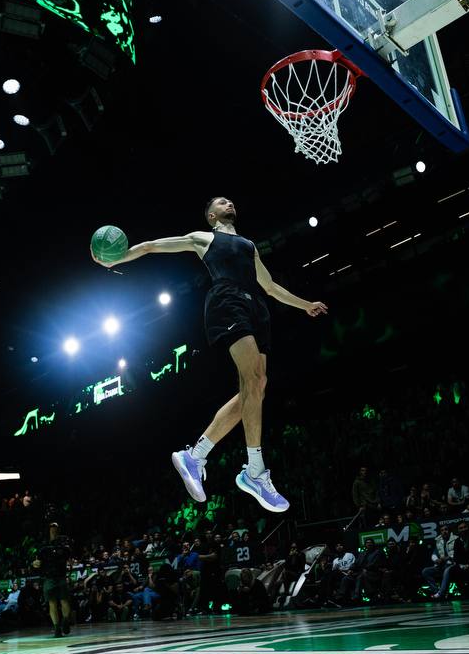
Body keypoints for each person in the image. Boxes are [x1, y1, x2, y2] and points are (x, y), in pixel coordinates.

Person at [94, 197, 328, 513]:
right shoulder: (204, 238)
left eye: (230, 200)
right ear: (211, 215)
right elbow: (151, 246)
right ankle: (255, 470)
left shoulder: (248, 245)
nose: (228, 203)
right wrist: (118, 258)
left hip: (256, 307)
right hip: (227, 300)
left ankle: (195, 456)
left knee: (256, 388)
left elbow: (270, 286)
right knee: (253, 379)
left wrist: (305, 305)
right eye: (221, 202)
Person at [33, 523, 74, 637]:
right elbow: (37, 561)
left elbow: (69, 557)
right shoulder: (44, 546)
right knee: (52, 603)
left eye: (55, 526)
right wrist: (35, 564)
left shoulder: (64, 543)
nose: (53, 528)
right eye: (51, 526)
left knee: (64, 600)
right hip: (49, 578)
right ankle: (56, 628)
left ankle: (65, 621)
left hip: (61, 576)